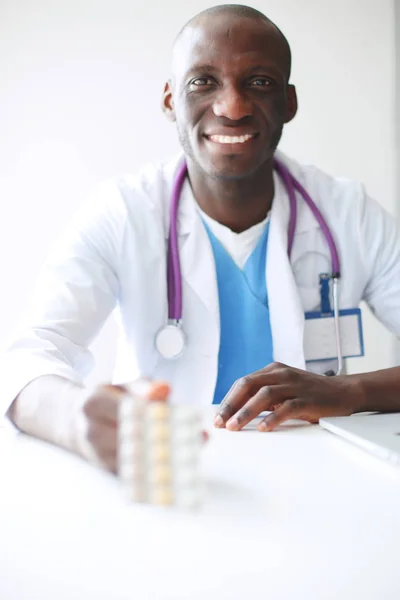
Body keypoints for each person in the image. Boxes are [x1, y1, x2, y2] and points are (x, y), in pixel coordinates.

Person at [2, 4, 400, 473]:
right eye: (202, 81)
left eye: (260, 82)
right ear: (171, 100)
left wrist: (349, 393)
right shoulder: (124, 212)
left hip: (316, 474)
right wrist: (72, 417)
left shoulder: (348, 215)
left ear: (289, 103)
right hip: (165, 477)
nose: (232, 107)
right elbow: (26, 357)